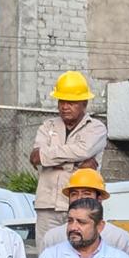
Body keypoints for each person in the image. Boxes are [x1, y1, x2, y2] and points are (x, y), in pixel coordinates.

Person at [31, 71, 108, 245]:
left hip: (82, 206)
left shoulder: (96, 128)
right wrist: (73, 163)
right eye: (62, 101)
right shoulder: (47, 126)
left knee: (81, 250)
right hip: (47, 206)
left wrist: (49, 157)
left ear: (84, 104)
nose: (65, 106)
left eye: (71, 102)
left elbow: (83, 149)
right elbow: (35, 157)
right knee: (47, 254)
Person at [38, 168, 129, 258]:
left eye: (86, 194)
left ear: (99, 199)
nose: (79, 198)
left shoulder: (119, 239)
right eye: (74, 194)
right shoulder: (53, 237)